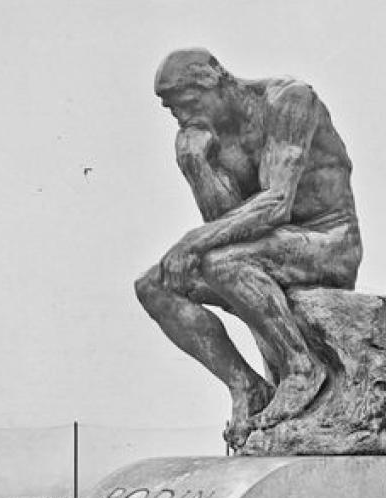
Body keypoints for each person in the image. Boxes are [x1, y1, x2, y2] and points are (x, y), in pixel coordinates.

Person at [133, 49, 364, 449]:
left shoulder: (288, 100)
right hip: (266, 250)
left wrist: (191, 242)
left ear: (218, 80)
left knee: (223, 264)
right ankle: (246, 387)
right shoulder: (204, 139)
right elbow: (225, 221)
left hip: (328, 242)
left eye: (189, 104)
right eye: (175, 113)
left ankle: (301, 369)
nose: (184, 118)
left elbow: (277, 203)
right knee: (154, 286)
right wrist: (196, 166)